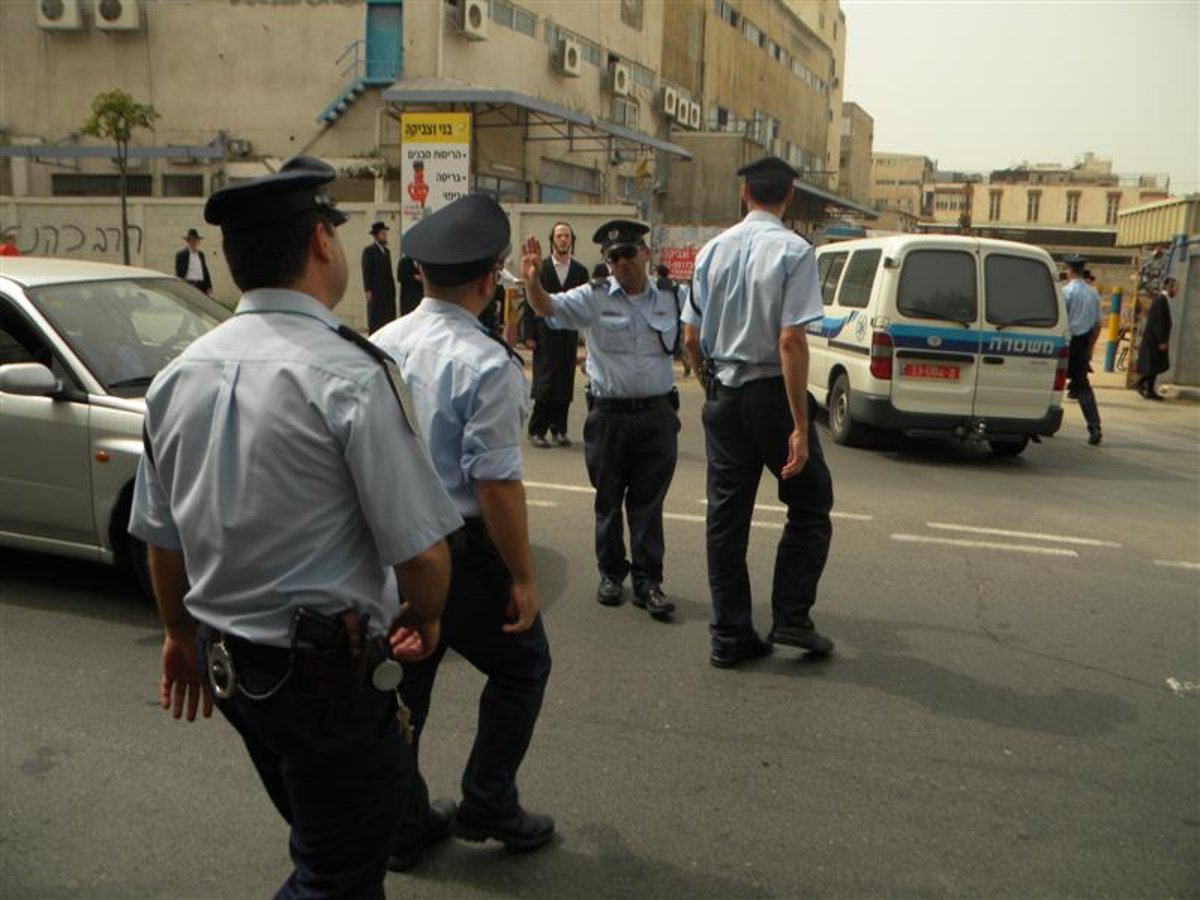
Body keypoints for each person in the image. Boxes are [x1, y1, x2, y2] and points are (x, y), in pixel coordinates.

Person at [129, 156, 464, 900]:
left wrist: (179, 637)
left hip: (233, 671)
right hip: (324, 684)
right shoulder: (350, 374)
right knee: (338, 875)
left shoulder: (176, 376)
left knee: (325, 840)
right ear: (321, 243)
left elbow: (162, 537)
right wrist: (428, 613)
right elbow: (421, 552)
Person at [371, 193, 555, 861]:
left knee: (404, 686)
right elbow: (497, 485)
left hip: (391, 546)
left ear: (419, 274)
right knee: (523, 665)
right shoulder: (486, 363)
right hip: (461, 554)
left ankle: (403, 822)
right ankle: (489, 800)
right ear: (489, 280)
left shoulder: (378, 344)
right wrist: (525, 576)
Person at [683, 155, 835, 668]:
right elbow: (791, 341)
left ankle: (729, 635)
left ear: (745, 194)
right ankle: (792, 615)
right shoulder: (795, 252)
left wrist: (711, 386)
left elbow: (689, 337)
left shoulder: (711, 252)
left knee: (726, 520)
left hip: (724, 395)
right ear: (789, 196)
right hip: (771, 395)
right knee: (810, 503)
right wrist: (799, 425)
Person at [521, 220, 679, 622]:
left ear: (645, 253)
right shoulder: (593, 297)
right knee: (608, 500)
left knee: (648, 504)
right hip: (609, 417)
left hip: (657, 415)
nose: (623, 263)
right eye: (614, 257)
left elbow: (697, 333)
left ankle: (648, 582)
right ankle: (611, 574)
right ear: (607, 263)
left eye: (630, 253)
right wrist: (533, 280)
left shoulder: (671, 297)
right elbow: (547, 308)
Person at [527, 222, 588, 448]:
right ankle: (537, 429)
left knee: (564, 383)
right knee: (545, 383)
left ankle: (559, 429)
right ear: (552, 239)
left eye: (567, 236)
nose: (563, 240)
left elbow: (585, 303)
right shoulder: (540, 268)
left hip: (568, 334)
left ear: (572, 240)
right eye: (559, 236)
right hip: (544, 335)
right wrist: (529, 334)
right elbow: (529, 301)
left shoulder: (580, 271)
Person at [1061, 255, 1103, 445]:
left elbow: (1061, 321)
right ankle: (1094, 427)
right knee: (1083, 386)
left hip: (1067, 342)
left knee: (1053, 382)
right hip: (1084, 343)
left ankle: (1045, 421)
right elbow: (1098, 324)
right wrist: (1090, 347)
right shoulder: (1093, 293)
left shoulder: (1066, 292)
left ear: (1069, 270)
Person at [1134, 276, 1175, 400]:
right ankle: (1140, 384)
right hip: (1155, 340)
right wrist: (1162, 341)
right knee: (1153, 365)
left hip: (1155, 340)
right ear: (1168, 287)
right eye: (1175, 287)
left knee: (1155, 366)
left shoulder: (1163, 300)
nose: (1176, 290)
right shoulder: (1160, 301)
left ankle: (1149, 390)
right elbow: (1159, 322)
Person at [655, 263, 692, 377]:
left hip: (661, 317)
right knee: (679, 343)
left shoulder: (655, 286)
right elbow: (685, 303)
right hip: (678, 317)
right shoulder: (676, 286)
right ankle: (687, 364)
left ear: (657, 273)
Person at [362, 221, 397, 333]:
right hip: (376, 291)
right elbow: (366, 270)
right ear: (376, 236)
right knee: (376, 319)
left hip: (387, 292)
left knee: (388, 319)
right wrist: (367, 289)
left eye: (385, 233)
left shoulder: (387, 252)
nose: (385, 236)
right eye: (383, 234)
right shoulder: (369, 251)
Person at [174, 228, 212, 294]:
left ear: (198, 241)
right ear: (188, 241)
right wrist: (180, 286)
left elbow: (205, 270)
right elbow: (179, 272)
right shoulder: (181, 255)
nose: (194, 242)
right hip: (189, 284)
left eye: (196, 240)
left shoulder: (201, 254)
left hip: (201, 285)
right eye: (192, 240)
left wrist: (209, 285)